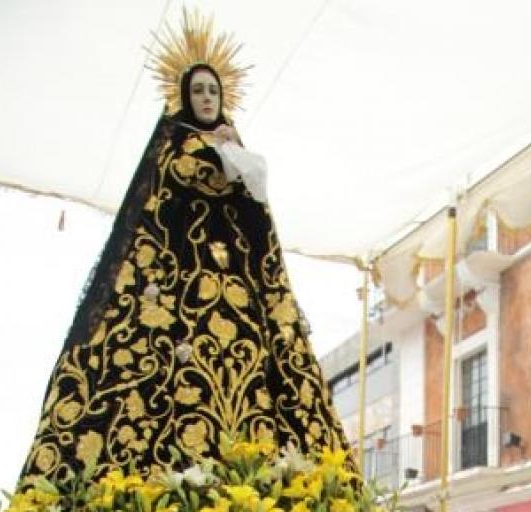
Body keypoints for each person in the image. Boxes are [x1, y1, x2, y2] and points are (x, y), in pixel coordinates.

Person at [20, 18, 347, 486]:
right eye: (199, 92)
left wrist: (235, 158)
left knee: (251, 374)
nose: (208, 98)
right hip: (179, 295)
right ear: (185, 97)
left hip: (237, 292)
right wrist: (224, 159)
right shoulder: (176, 153)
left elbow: (257, 221)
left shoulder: (237, 151)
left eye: (213, 91)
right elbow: (173, 203)